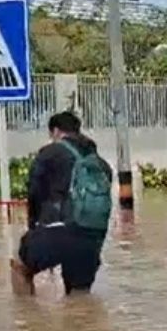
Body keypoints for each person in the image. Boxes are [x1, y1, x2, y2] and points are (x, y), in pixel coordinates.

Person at [11, 111, 113, 296]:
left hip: (57, 228)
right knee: (79, 295)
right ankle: (82, 322)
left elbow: (34, 193)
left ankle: (26, 320)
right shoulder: (100, 162)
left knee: (19, 265)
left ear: (56, 131)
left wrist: (33, 228)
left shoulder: (49, 153)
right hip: (92, 236)